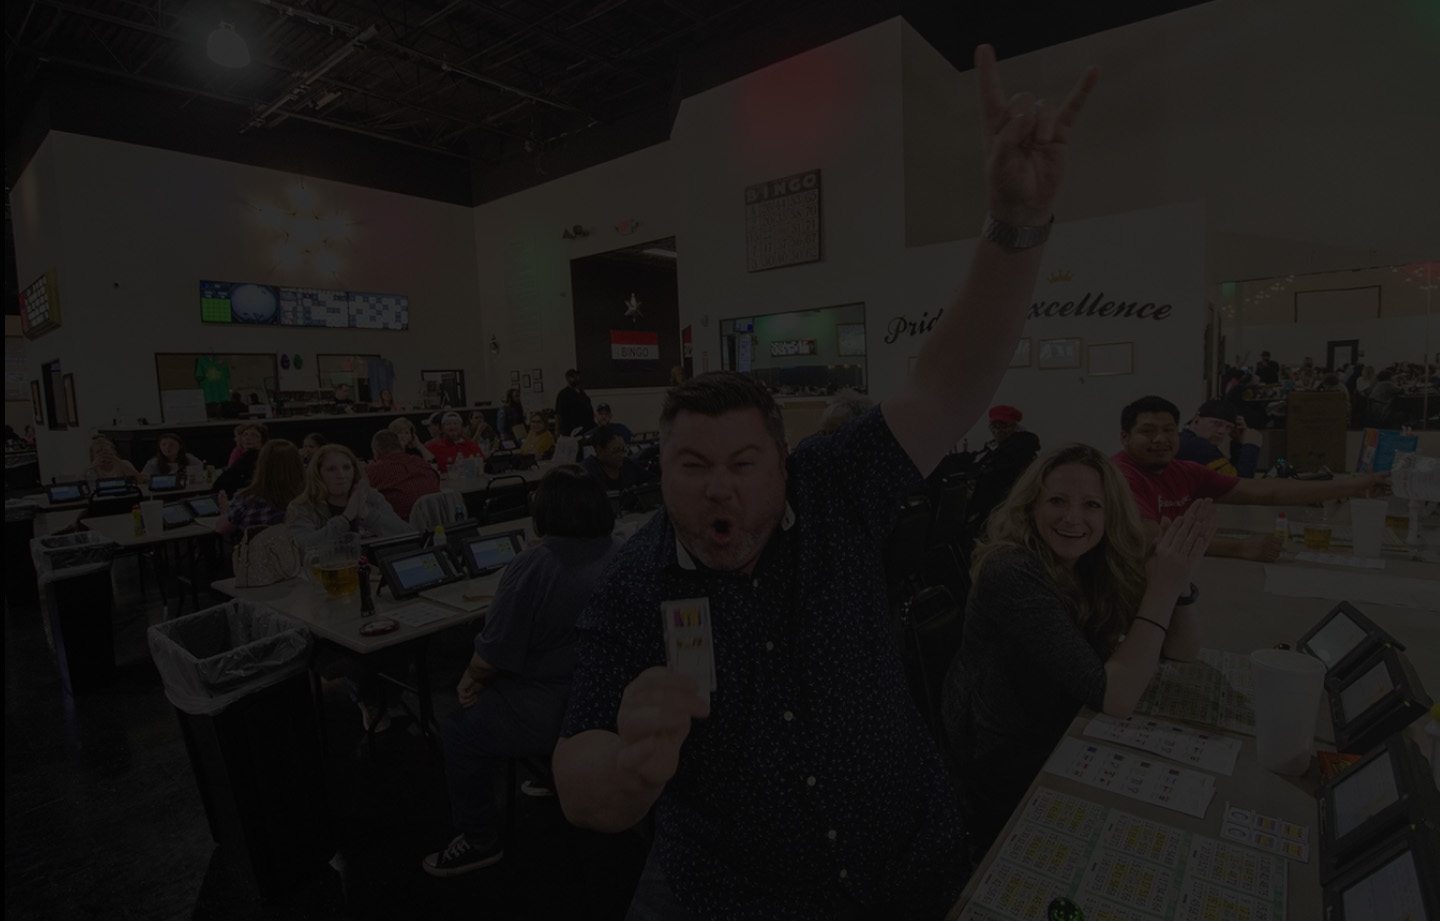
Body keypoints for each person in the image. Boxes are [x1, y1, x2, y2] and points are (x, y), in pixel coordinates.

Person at [553, 44, 1101, 919]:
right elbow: (579, 770)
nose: (719, 489)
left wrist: (1014, 226)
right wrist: (625, 769)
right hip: (743, 897)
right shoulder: (635, 582)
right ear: (661, 473)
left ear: (783, 459)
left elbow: (948, 383)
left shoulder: (835, 484)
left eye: (743, 463)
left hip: (916, 863)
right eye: (692, 466)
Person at [942, 444, 1215, 850]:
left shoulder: (1093, 559)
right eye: (1057, 501)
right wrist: (1163, 587)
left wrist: (1182, 581)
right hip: (1004, 763)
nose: (1073, 518)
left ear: (1110, 514)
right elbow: (1114, 696)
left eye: (1092, 505)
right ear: (1031, 506)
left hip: (1061, 728)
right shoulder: (1012, 569)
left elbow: (1183, 650)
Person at [423, 466, 621, 876]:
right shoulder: (618, 551)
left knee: (458, 730)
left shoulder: (534, 565)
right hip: (607, 699)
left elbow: (491, 656)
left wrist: (469, 679)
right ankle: (557, 773)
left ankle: (479, 839)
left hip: (550, 708)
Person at [1114, 395, 1389, 562]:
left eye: (1168, 430)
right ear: (1125, 437)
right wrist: (1239, 548)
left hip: (1182, 571)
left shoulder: (1184, 471)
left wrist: (1354, 486)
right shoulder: (1120, 475)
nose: (1160, 439)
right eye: (1148, 431)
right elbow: (1149, 539)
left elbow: (1265, 491)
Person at [285, 443, 409, 550]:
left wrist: (367, 514)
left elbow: (406, 535)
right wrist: (345, 519)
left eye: (346, 467)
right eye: (331, 469)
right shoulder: (302, 507)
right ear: (318, 475)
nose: (341, 475)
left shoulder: (371, 497)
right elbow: (300, 548)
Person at [215, 439, 305, 537]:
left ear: (261, 465)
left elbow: (221, 528)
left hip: (258, 550)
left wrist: (225, 509)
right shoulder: (311, 497)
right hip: (303, 550)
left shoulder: (247, 500)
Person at [366, 428, 441, 521]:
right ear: (400, 447)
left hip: (402, 529)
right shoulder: (421, 462)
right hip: (436, 522)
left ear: (376, 452)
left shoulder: (372, 471)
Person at [1176, 399, 1260, 478]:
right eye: (1216, 423)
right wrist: (1251, 446)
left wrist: (1237, 443)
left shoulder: (1184, 439)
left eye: (1229, 427)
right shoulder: (1196, 445)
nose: (1222, 431)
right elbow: (1240, 484)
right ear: (1196, 420)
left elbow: (1231, 473)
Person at [581, 425, 651, 491]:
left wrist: (645, 486)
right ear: (599, 450)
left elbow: (652, 478)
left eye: (623, 450)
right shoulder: (587, 471)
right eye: (616, 451)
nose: (621, 455)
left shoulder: (627, 464)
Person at [214, 423, 267, 497]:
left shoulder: (252, 455)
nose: (248, 438)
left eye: (253, 435)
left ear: (262, 439)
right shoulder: (247, 455)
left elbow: (221, 484)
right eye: (245, 435)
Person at [139, 432, 204, 485]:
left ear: (180, 446)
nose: (167, 448)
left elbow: (201, 469)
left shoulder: (189, 458)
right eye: (164, 445)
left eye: (172, 444)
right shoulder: (153, 463)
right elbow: (143, 478)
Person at [554, 369, 594, 437]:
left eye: (577, 375)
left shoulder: (582, 393)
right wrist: (557, 430)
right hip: (570, 431)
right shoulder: (564, 394)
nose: (576, 378)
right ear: (568, 378)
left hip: (586, 430)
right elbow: (559, 414)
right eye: (573, 376)